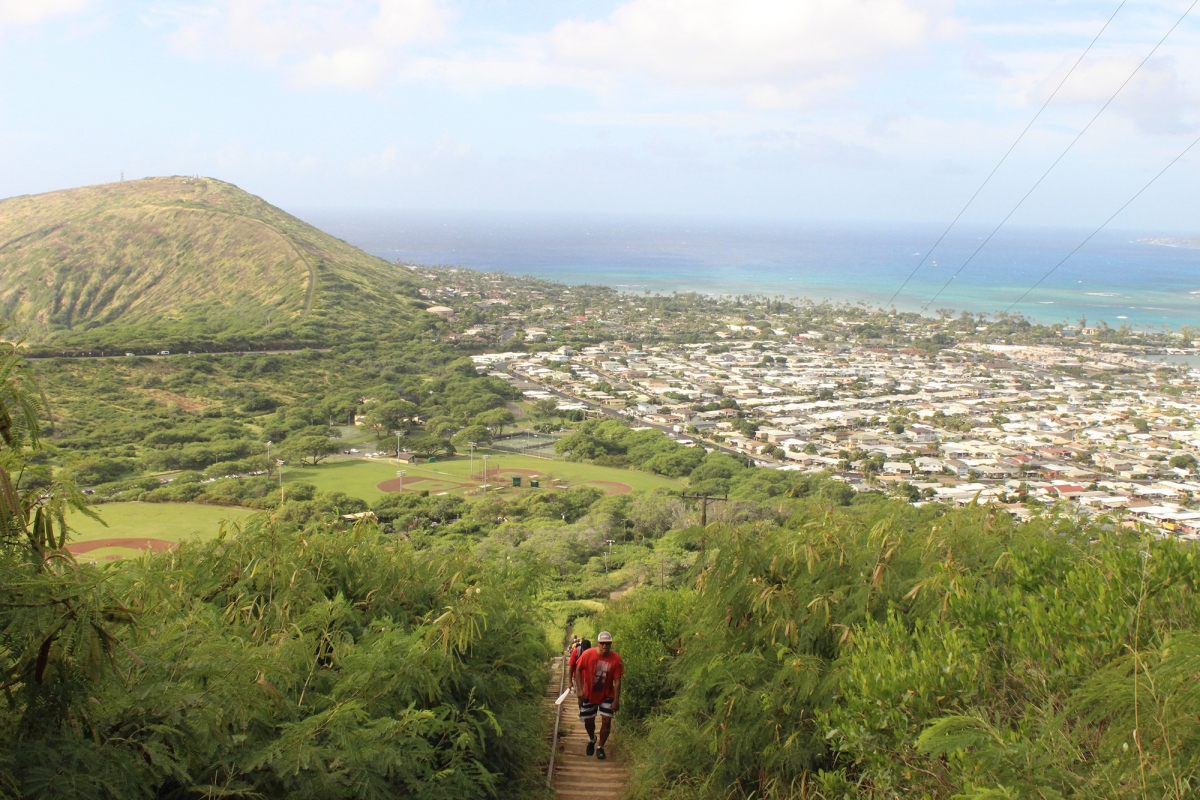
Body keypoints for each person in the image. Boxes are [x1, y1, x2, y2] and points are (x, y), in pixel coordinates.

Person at [573, 630, 623, 760]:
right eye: (602, 643)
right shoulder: (588, 654)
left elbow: (617, 681)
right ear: (598, 643)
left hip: (607, 694)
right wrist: (579, 689)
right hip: (590, 693)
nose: (605, 646)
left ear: (610, 644)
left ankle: (601, 747)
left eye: (607, 644)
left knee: (606, 721)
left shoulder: (616, 659)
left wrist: (616, 700)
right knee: (589, 721)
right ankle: (592, 739)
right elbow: (578, 669)